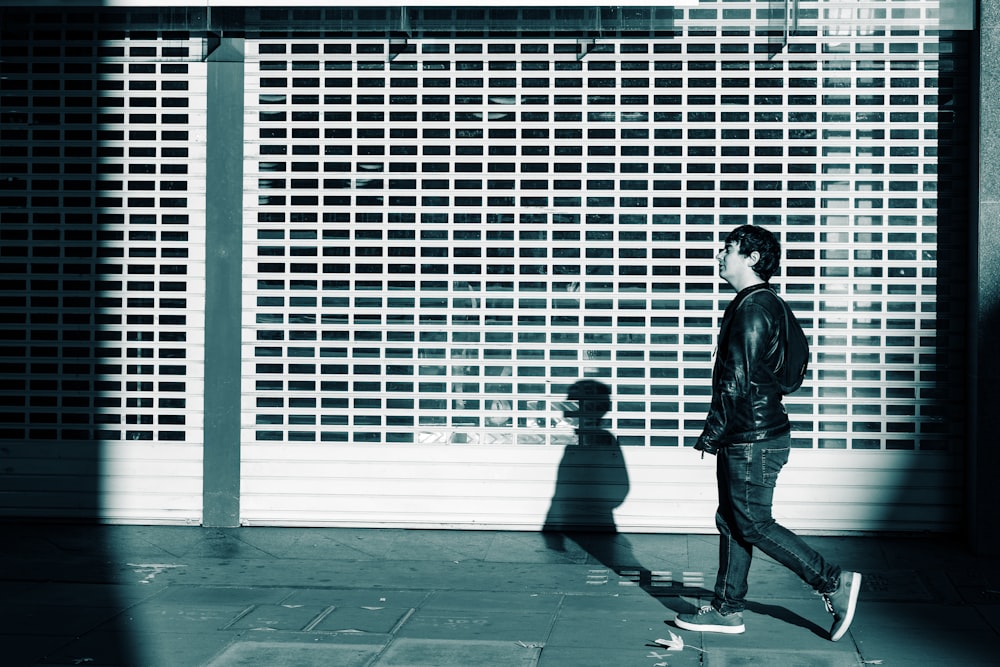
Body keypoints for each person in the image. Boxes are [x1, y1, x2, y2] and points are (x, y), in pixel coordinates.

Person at [673, 225, 861, 642]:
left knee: (753, 523)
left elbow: (735, 380)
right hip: (755, 433)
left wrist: (714, 432)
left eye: (729, 249)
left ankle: (831, 580)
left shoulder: (754, 307)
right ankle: (726, 610)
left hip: (751, 437)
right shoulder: (762, 303)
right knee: (734, 522)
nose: (720, 255)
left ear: (752, 258)